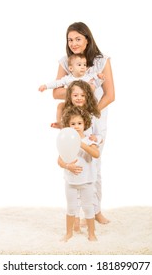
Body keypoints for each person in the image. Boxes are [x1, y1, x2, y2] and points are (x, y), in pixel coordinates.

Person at [53, 22, 115, 224]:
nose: (73, 43)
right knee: (72, 160)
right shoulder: (66, 62)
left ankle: (95, 211)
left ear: (88, 39)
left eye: (78, 39)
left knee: (93, 163)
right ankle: (76, 212)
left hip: (95, 118)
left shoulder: (101, 61)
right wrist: (78, 88)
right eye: (70, 40)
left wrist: (90, 110)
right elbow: (56, 93)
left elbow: (110, 94)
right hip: (75, 119)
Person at [58, 105, 100, 242]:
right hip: (70, 181)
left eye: (79, 123)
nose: (76, 126)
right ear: (68, 125)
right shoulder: (66, 139)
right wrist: (67, 166)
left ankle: (91, 233)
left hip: (86, 181)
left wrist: (81, 144)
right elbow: (59, 160)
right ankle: (69, 233)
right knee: (71, 208)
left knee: (88, 207)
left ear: (85, 124)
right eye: (73, 123)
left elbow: (96, 154)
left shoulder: (89, 140)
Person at [38, 53, 104, 127]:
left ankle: (87, 123)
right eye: (79, 65)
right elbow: (57, 83)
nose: (83, 67)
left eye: (84, 65)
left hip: (84, 103)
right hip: (71, 103)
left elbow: (97, 85)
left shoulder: (88, 77)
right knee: (60, 106)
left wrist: (101, 79)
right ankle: (60, 123)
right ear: (71, 68)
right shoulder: (68, 78)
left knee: (86, 112)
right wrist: (46, 86)